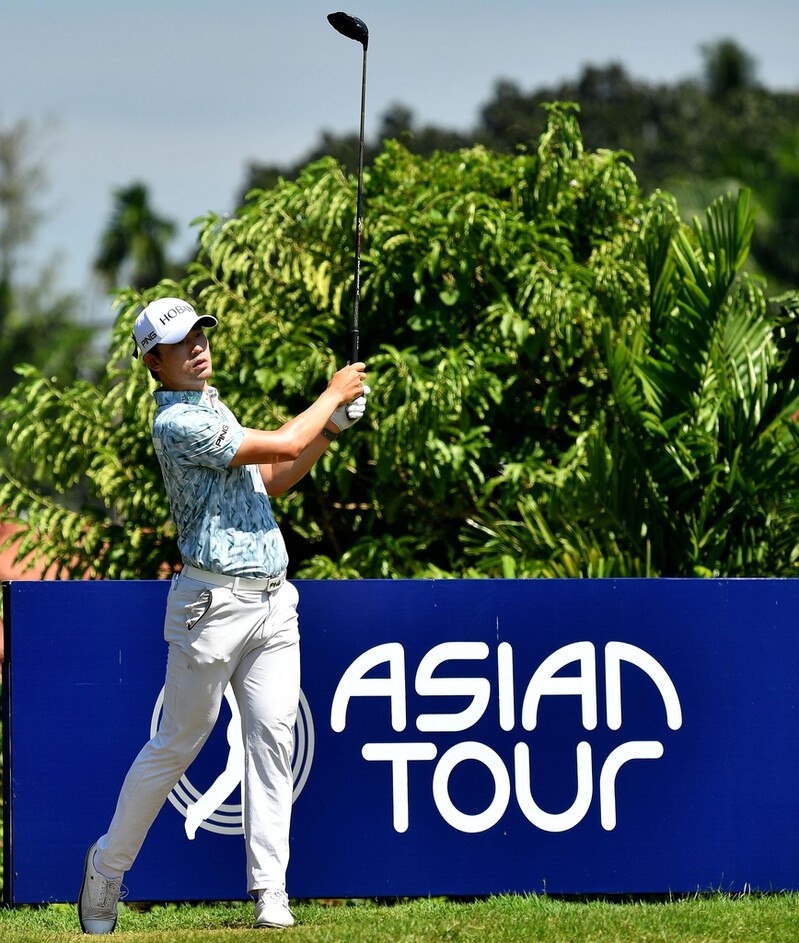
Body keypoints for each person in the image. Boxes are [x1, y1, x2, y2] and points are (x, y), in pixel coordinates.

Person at [78, 297, 369, 933]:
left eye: (200, 335)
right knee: (178, 744)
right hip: (212, 607)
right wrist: (330, 395)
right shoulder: (175, 424)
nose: (197, 347)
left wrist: (333, 429)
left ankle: (271, 892)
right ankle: (105, 870)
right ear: (155, 363)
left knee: (273, 742)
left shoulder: (213, 405)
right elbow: (287, 435)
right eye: (181, 343)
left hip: (273, 601)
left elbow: (275, 475)